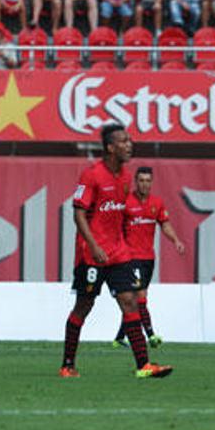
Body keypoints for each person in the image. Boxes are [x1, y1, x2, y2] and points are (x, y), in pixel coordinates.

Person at [59, 124, 173, 379]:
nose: (129, 145)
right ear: (110, 147)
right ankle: (67, 364)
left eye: (130, 140)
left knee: (130, 301)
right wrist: (94, 246)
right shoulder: (91, 175)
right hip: (92, 254)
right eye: (123, 141)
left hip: (118, 253)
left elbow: (120, 215)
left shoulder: (125, 177)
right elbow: (78, 214)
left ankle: (144, 365)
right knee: (84, 305)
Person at [113, 167, 185, 348]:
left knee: (135, 300)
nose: (144, 184)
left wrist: (175, 240)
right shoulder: (126, 202)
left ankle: (120, 337)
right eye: (141, 180)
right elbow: (115, 226)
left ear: (151, 183)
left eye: (148, 180)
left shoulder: (157, 203)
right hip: (130, 257)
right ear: (136, 182)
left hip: (148, 258)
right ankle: (151, 335)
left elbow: (165, 224)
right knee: (141, 297)